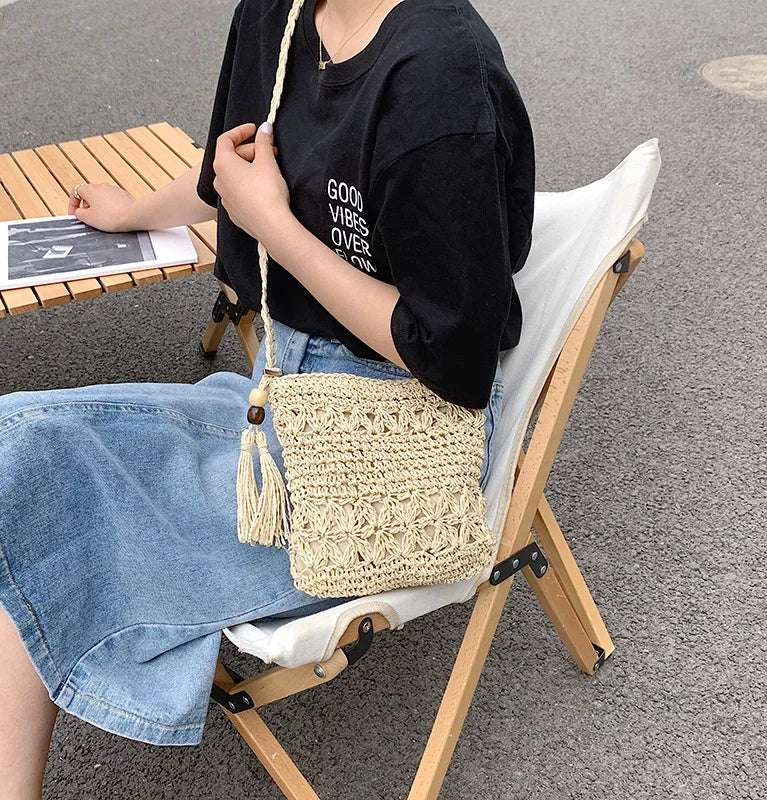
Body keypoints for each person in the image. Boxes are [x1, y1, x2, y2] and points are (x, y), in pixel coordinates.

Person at [0, 0, 535, 795]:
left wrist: (274, 227)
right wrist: (134, 212)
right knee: (21, 449)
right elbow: (237, 171)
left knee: (37, 486)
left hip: (386, 442)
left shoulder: (441, 80)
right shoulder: (276, 15)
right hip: (278, 393)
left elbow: (451, 359)